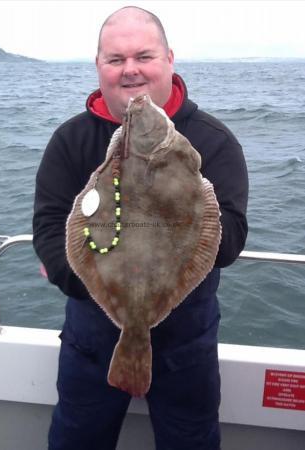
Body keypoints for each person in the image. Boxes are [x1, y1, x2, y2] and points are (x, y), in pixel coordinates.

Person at [33, 6, 248, 450]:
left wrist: (191, 194)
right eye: (115, 59)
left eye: (143, 56)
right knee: (77, 440)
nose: (130, 69)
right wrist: (76, 274)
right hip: (89, 337)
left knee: (190, 441)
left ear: (169, 58)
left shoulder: (212, 140)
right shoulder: (70, 140)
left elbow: (230, 241)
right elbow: (50, 224)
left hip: (187, 341)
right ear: (99, 66)